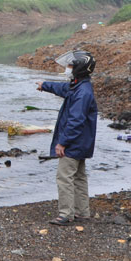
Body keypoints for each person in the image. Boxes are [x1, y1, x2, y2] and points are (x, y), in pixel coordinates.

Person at [36, 50, 98, 226]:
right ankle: (82, 212)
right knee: (79, 177)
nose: (68, 68)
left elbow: (75, 121)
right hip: (83, 143)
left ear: (78, 68)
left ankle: (66, 214)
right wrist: (45, 85)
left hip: (74, 143)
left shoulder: (82, 92)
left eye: (70, 65)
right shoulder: (81, 87)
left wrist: (62, 143)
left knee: (64, 177)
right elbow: (64, 89)